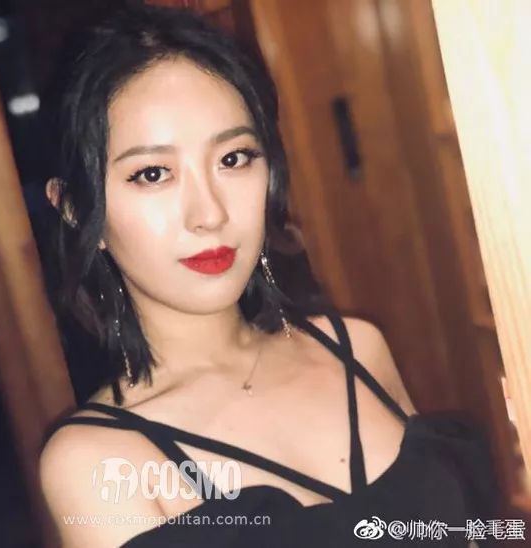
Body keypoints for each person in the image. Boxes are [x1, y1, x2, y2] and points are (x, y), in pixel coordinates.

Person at [38, 5, 499, 547]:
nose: (209, 213)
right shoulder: (97, 462)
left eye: (234, 158)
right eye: (153, 173)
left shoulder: (356, 348)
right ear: (76, 210)